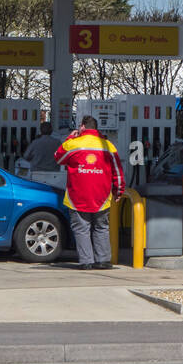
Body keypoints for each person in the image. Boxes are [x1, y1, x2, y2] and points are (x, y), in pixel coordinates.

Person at [55, 115, 125, 270]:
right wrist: (119, 190)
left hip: (77, 195)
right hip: (102, 195)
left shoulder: (72, 145)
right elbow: (117, 171)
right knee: (101, 228)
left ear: (82, 127)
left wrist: (69, 138)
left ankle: (86, 262)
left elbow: (58, 158)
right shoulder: (108, 146)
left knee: (82, 229)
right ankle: (103, 260)